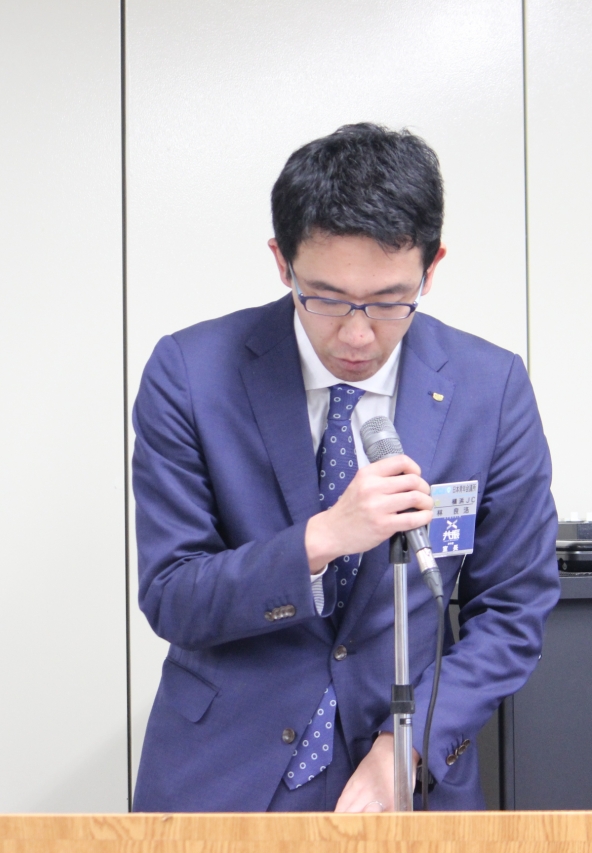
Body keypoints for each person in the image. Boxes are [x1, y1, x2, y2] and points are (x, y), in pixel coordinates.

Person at [131, 123, 559, 813]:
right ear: (282, 262)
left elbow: (513, 609)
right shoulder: (190, 373)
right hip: (223, 777)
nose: (358, 334)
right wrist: (322, 537)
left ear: (432, 267)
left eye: (390, 301)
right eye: (326, 298)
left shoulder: (491, 388)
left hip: (406, 779)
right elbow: (173, 594)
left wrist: (409, 742)